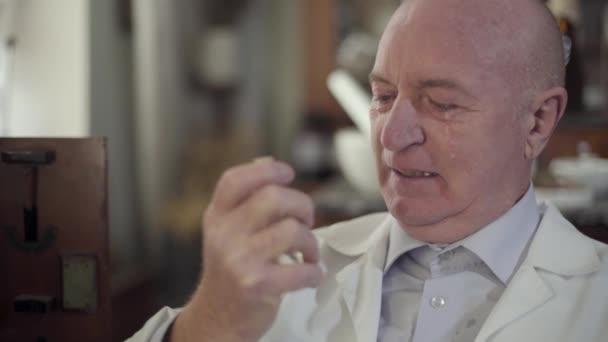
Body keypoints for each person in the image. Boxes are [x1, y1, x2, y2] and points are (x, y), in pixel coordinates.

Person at [129, 0, 608, 341]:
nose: (390, 135)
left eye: (441, 103)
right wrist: (211, 323)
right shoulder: (277, 278)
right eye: (382, 96)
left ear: (538, 121)